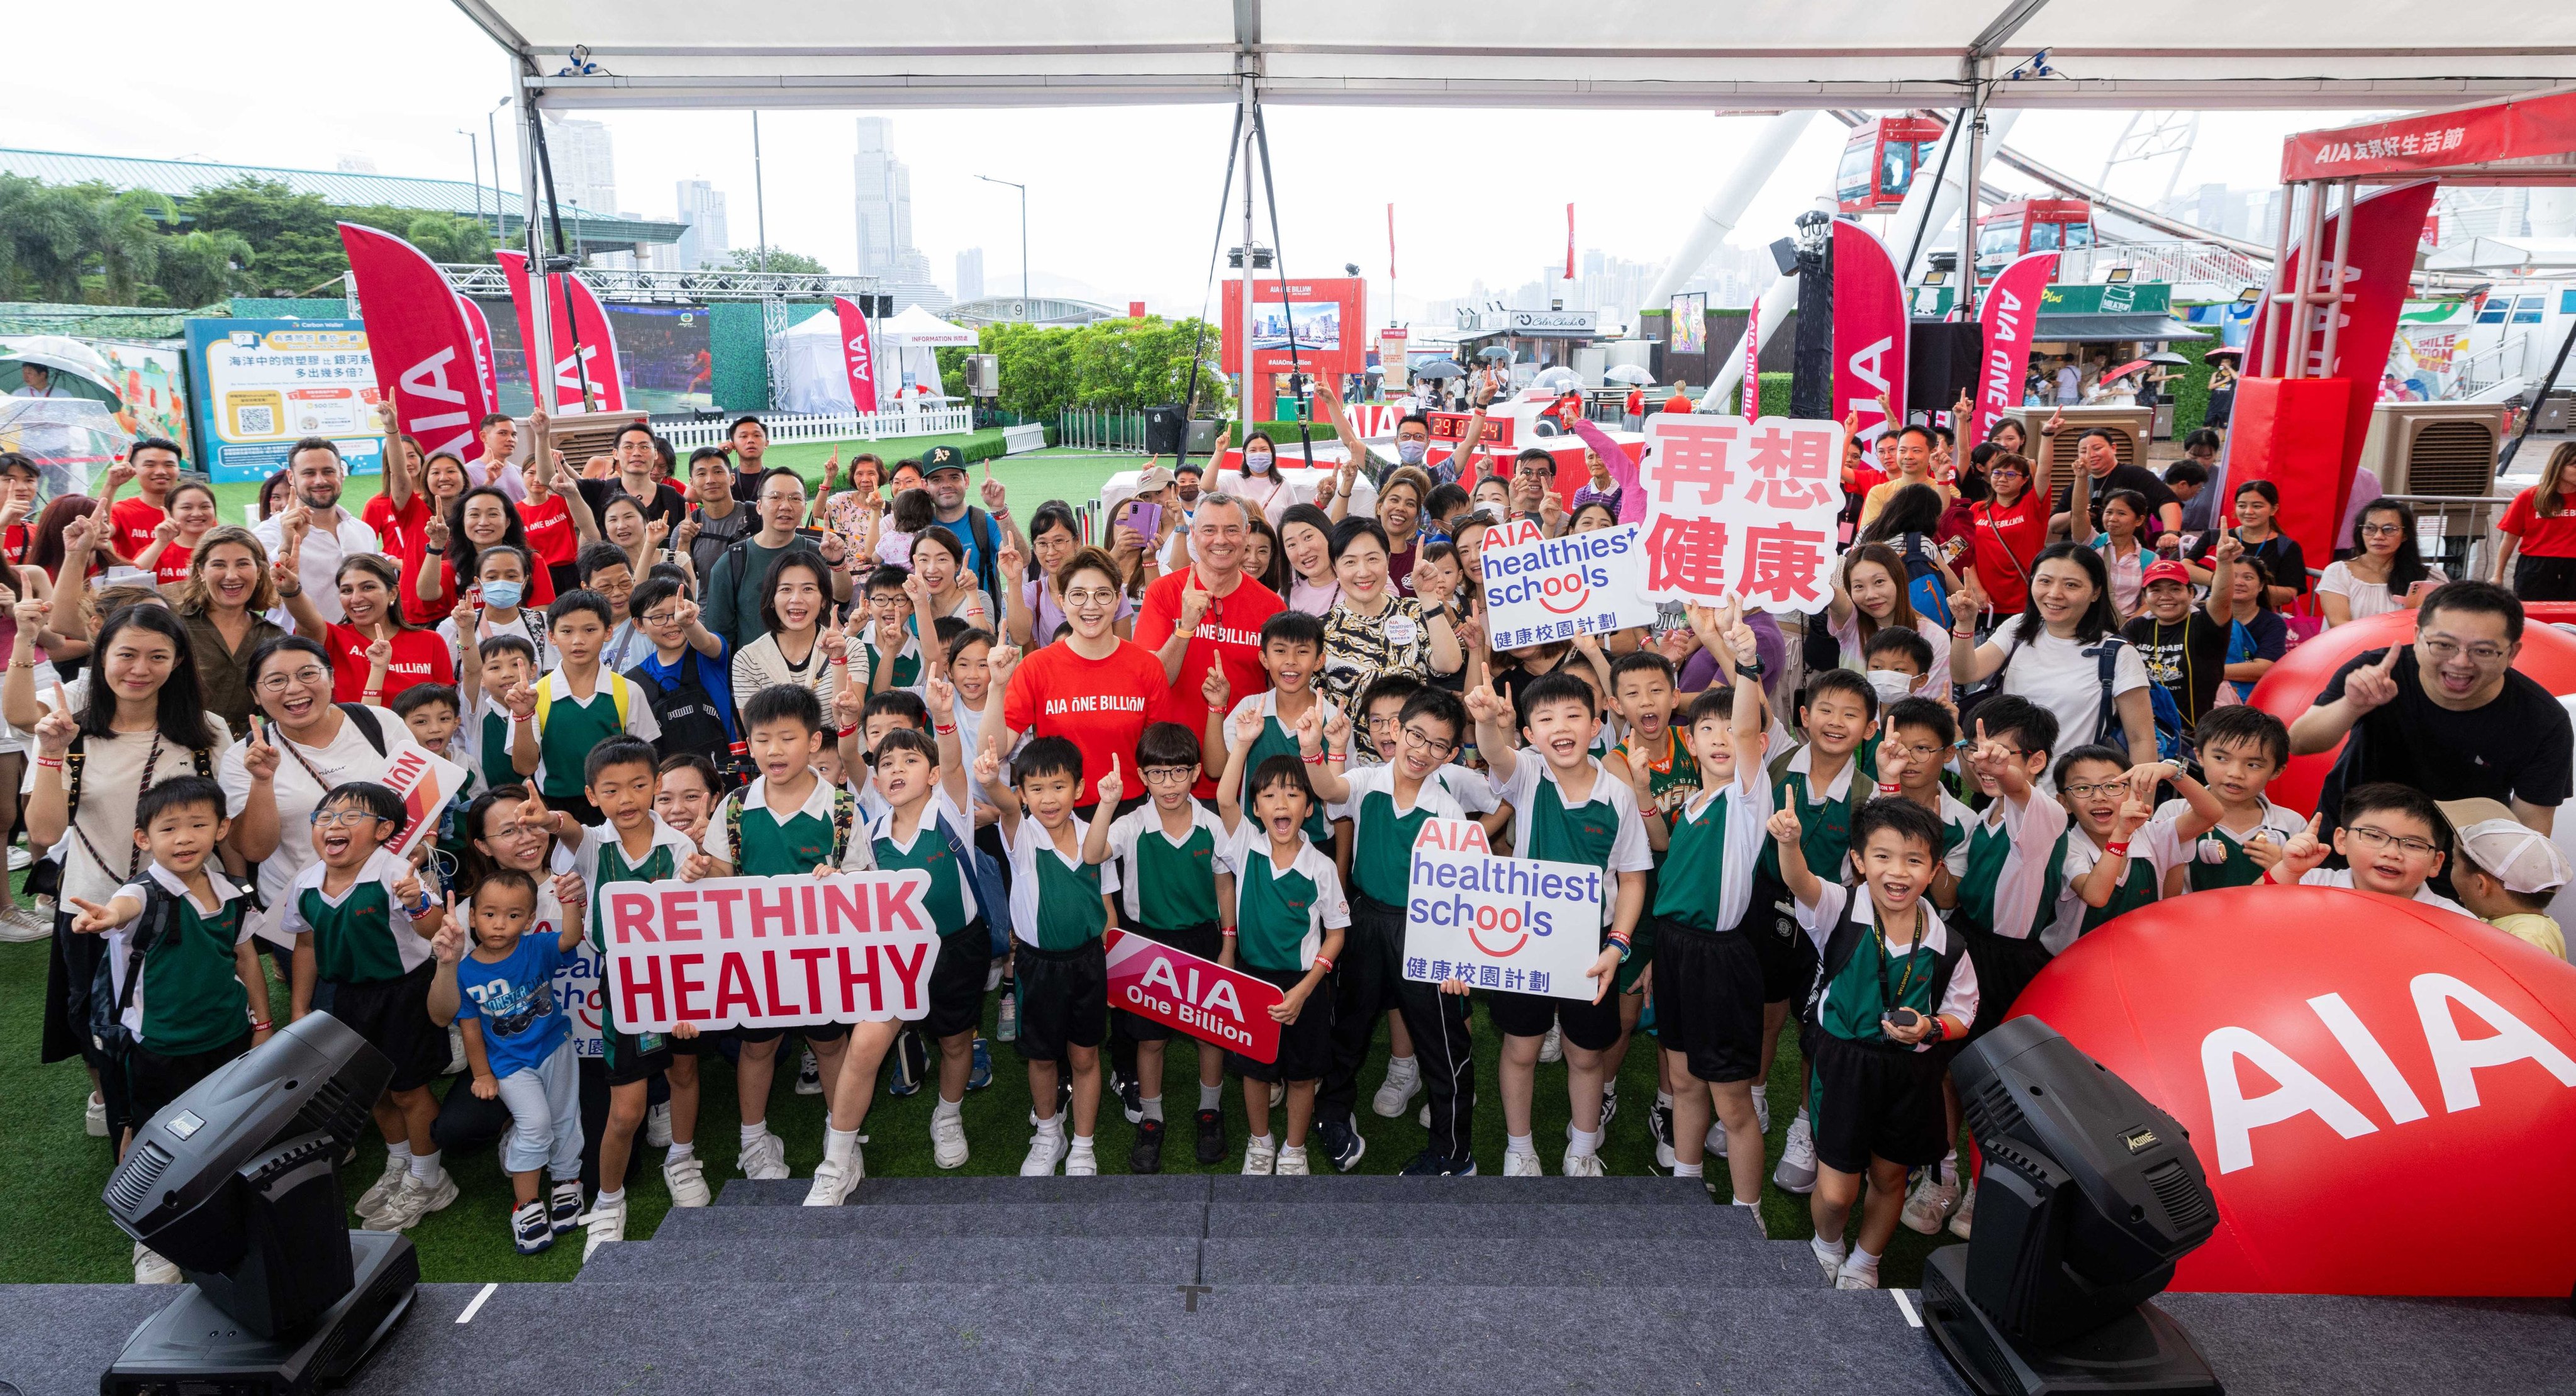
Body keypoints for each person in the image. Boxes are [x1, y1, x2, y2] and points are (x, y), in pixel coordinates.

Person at [19, 605, 236, 1143]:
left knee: (184, 1024)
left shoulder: (206, 732)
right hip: (93, 907)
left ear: (178, 660)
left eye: (158, 656)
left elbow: (225, 827)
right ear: (103, 657)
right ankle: (114, 1109)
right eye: (127, 654)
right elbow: (43, 832)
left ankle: (191, 1130)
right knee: (94, 1023)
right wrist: (49, 752)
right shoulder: (70, 726)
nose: (140, 668)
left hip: (184, 913)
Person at [1768, 795, 1976, 1291]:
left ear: (1934, 868)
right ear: (1859, 861)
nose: (1896, 872)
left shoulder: (1948, 943)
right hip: (1844, 1065)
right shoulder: (1840, 908)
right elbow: (1800, 881)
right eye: (1881, 856)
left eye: (1913, 859)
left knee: (1890, 1178)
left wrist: (1929, 1028)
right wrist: (1791, 842)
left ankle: (1865, 1261)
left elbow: (1963, 1013)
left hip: (1909, 1073)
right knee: (1836, 1191)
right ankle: (1827, 1243)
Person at [63, 775, 265, 1282]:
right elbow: (123, 908)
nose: (184, 837)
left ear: (222, 828)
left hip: (228, 1038)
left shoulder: (232, 892)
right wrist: (108, 915)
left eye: (198, 824)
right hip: (158, 1048)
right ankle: (152, 1234)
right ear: (143, 838)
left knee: (225, 1129)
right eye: (168, 827)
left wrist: (262, 1023)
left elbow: (246, 958)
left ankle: (223, 1210)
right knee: (150, 1137)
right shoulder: (140, 895)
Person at [520, 738, 701, 1254]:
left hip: (683, 978)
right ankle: (608, 1199)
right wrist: (550, 820)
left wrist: (687, 1000)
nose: (627, 797)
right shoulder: (593, 843)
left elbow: (698, 924)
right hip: (624, 984)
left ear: (655, 786)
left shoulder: (680, 847)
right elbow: (570, 828)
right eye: (612, 789)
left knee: (684, 1073)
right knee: (626, 1109)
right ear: (592, 794)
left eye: (640, 785)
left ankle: (682, 1159)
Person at [1467, 669, 1650, 1177]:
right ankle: (1519, 1148)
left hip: (1592, 944)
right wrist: (1485, 722)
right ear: (1528, 733)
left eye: (1573, 715)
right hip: (1524, 937)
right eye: (1545, 718)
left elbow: (1633, 878)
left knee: (1586, 1054)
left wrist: (1616, 945)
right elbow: (1496, 754)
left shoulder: (1617, 794)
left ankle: (1583, 1148)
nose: (1559, 726)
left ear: (1596, 726)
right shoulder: (1526, 774)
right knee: (1520, 1047)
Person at [687, 684, 862, 1195]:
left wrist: (840, 881)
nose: (774, 750)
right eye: (762, 739)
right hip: (754, 954)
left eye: (787, 737)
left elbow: (862, 882)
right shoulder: (737, 805)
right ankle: (754, 1137)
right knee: (757, 1045)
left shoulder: (842, 808)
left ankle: (841, 1140)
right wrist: (702, 869)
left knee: (830, 1042)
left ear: (814, 742)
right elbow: (721, 870)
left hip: (821, 954)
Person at [1638, 608, 1772, 1206]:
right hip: (1672, 950)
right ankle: (1685, 1189)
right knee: (1685, 1077)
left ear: (1757, 746)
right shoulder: (1692, 803)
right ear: (1689, 741)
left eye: (1732, 731)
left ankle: (1747, 1215)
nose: (1721, 739)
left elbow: (1745, 730)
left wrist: (1743, 662)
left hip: (1719, 960)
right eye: (1707, 732)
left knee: (1731, 1100)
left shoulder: (1747, 797)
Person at [277, 779, 454, 1231]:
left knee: (409, 1089)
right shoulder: (306, 881)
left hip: (403, 994)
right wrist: (299, 1008)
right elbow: (305, 945)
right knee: (371, 1089)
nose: (335, 824)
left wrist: (418, 903)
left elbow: (433, 932)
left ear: (384, 829)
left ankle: (430, 1178)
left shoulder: (396, 874)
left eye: (352, 816)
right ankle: (399, 1163)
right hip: (345, 997)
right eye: (326, 817)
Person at [835, 706, 991, 1183]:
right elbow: (855, 890)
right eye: (887, 764)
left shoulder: (951, 809)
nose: (896, 769)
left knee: (955, 1039)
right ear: (876, 782)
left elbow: (953, 757)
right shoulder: (870, 830)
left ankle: (947, 1114)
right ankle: (836, 1157)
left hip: (958, 947)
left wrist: (944, 717)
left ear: (933, 775)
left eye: (909, 760)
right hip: (898, 955)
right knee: (864, 1046)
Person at [2291, 581, 2573, 840]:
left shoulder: (2543, 721)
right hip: (2348, 838)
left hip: (2456, 860)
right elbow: (2299, 742)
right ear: (2417, 637)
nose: (2461, 662)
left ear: (2512, 653)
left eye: (2483, 651)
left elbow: (2530, 832)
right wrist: (2351, 706)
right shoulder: (2378, 672)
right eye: (2444, 645)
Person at [973, 734, 1120, 1176]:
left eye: (1058, 786)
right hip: (1037, 966)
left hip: (1088, 962)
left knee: (1085, 1056)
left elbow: (1108, 908)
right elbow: (1003, 800)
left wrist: (1110, 802)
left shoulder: (1097, 836)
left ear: (1078, 788)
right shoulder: (1021, 831)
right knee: (1041, 1056)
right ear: (1022, 794)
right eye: (1035, 788)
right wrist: (989, 780)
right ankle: (1048, 1133)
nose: (1048, 798)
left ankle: (1082, 1144)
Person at [1212, 715, 1349, 1176]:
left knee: (1302, 1073)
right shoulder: (1246, 845)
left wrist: (1308, 987)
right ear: (1257, 807)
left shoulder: (1321, 868)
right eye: (1268, 795)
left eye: (1292, 793)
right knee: (1255, 1069)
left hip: (1304, 986)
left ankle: (1293, 1149)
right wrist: (1244, 742)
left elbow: (1336, 933)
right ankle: (1260, 1141)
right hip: (1253, 979)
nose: (1280, 803)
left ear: (1309, 807)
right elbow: (1222, 797)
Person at [437, 867, 588, 1254]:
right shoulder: (465, 971)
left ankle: (567, 1181)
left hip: (555, 1048)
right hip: (509, 1064)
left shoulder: (536, 948)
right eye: (489, 914)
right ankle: (527, 1204)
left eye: (513, 915)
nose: (500, 924)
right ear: (472, 917)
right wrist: (482, 1073)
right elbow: (470, 1028)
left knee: (565, 1118)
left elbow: (571, 938)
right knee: (536, 1123)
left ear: (530, 919)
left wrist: (571, 902)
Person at [1950, 543, 2158, 774]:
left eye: (2071, 585)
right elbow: (1965, 673)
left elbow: (2141, 740)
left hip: (2072, 794)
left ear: (2096, 592)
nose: (2054, 594)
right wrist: (1964, 625)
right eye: (2045, 581)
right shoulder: (2017, 629)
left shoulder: (2118, 653)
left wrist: (2142, 804)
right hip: (2008, 782)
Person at [991, 547, 1169, 813]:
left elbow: (1161, 754)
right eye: (1078, 595)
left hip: (1131, 813)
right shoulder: (1036, 667)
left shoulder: (1147, 667)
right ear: (1062, 602)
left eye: (1103, 594)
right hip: (1060, 816)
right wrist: (996, 687)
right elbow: (995, 748)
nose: (1091, 605)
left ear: (1118, 600)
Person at [1135, 493, 1285, 795]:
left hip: (1242, 773)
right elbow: (1152, 683)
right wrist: (1185, 627)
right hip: (1173, 773)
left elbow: (1280, 691)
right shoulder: (1163, 593)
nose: (1221, 540)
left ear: (1246, 535)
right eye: (1209, 530)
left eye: (1231, 530)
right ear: (1193, 534)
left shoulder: (1271, 606)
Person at [511, 592, 662, 827]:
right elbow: (524, 767)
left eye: (590, 630)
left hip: (617, 808)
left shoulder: (629, 691)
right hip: (556, 807)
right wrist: (523, 715)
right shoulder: (533, 696)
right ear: (551, 636)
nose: (578, 640)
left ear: (608, 632)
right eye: (567, 631)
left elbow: (646, 759)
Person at [2142, 705, 2305, 895]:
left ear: (2277, 771)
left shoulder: (2292, 823)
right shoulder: (2174, 813)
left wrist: (2288, 870)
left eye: (2253, 765)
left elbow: (2303, 894)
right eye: (2221, 758)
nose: (2235, 773)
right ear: (2200, 756)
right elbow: (2154, 883)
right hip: (2188, 921)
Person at [1319, 517, 1462, 716]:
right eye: (1350, 562)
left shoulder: (1413, 611)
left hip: (1412, 743)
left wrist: (1428, 598)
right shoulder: (1321, 630)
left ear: (1387, 561)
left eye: (1372, 559)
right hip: (1347, 746)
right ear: (1335, 569)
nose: (1363, 572)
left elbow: (1450, 664)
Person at [701, 471, 851, 656]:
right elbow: (721, 638)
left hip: (814, 673)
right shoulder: (733, 561)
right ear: (759, 506)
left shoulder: (818, 552)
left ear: (805, 508)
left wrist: (837, 562)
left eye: (795, 499)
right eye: (775, 497)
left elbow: (842, 600)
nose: (786, 506)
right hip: (755, 676)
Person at [2264, 783, 2470, 915]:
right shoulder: (2310, 884)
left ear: (2436, 862)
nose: (2391, 853)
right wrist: (2289, 871)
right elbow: (2254, 912)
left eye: (2413, 845)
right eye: (2373, 836)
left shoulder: (2455, 921)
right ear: (2341, 840)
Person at [281, 554, 454, 707]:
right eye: (347, 590)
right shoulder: (333, 638)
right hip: (352, 740)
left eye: (368, 587)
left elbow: (446, 706)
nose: (356, 599)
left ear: (393, 593)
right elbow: (307, 621)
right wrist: (291, 591)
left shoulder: (430, 641)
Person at [167, 527, 289, 739]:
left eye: (242, 564)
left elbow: (279, 711)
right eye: (219, 565)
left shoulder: (272, 637)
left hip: (239, 754)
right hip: (172, 744)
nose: (232, 576)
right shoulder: (173, 623)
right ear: (200, 571)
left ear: (259, 571)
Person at [251, 439, 381, 625]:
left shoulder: (363, 531)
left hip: (357, 646)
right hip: (298, 649)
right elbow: (257, 596)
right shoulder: (267, 534)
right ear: (291, 477)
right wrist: (286, 546)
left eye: (328, 471)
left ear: (341, 474)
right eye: (309, 473)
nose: (320, 480)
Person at [2434, 796, 2570, 958]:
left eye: (2454, 863)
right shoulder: (2499, 924)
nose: (2451, 867)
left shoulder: (2528, 936)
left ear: (2481, 885)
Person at [622, 574, 734, 762]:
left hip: (725, 776)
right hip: (670, 785)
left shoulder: (708, 654)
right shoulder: (633, 682)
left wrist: (688, 623)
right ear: (639, 624)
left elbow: (705, 642)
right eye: (658, 617)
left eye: (676, 613)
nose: (672, 623)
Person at [2122, 552, 2237, 734]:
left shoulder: (2204, 624)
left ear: (2191, 593)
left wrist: (2224, 563)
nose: (2165, 596)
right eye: (2156, 590)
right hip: (2147, 733)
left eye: (2175, 589)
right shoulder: (2138, 627)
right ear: (2145, 596)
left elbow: (2222, 600)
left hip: (2196, 735)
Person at [730, 550, 848, 720]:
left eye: (808, 589)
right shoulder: (747, 659)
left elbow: (847, 723)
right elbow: (757, 734)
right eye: (786, 589)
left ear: (824, 600)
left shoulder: (849, 648)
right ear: (771, 599)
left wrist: (839, 661)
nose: (796, 599)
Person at [1827, 542, 1951, 700]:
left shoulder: (1934, 637)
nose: (1870, 595)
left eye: (1879, 582)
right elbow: (1837, 601)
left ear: (1899, 579)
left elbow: (1933, 703)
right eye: (1859, 586)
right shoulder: (1852, 623)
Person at [920, 445, 1025, 605]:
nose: (946, 484)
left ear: (966, 480)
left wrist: (999, 509)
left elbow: (1022, 559)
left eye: (954, 477)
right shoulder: (920, 528)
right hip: (931, 623)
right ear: (925, 485)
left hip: (982, 624)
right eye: (937, 479)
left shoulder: (984, 522)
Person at [2185, 479, 2306, 608]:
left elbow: (2289, 594)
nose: (2249, 511)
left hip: (2255, 615)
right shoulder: (2215, 536)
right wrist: (2223, 581)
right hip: (2207, 608)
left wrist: (2246, 589)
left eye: (2257, 506)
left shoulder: (2286, 547)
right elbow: (2184, 567)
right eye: (2242, 506)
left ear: (2274, 509)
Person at [2321, 498, 2443, 625]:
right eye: (2370, 528)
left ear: (2405, 535)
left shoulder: (2430, 577)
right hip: (2352, 644)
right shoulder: (2338, 572)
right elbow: (2338, 623)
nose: (2378, 536)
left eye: (2389, 529)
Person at [2054, 428, 2181, 548]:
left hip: (2126, 549)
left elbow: (2168, 501)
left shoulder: (2136, 474)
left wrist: (2171, 533)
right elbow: (2053, 525)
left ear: (2113, 448)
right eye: (2083, 451)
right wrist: (2078, 513)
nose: (2091, 455)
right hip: (2082, 551)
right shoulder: (2078, 484)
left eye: (2097, 448)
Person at [2490, 442, 2576, 601]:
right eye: (2575, 465)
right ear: (2559, 466)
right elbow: (2510, 539)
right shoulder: (2529, 497)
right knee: (2535, 617)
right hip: (2536, 568)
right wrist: (2498, 575)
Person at [102, 437, 186, 568]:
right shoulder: (121, 511)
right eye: (150, 465)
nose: (161, 472)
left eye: (169, 465)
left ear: (179, 469)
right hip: (137, 586)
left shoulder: (196, 511)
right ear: (134, 470)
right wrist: (111, 486)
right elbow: (97, 533)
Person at [2217, 554, 2287, 700]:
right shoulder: (2202, 615)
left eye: (2248, 578)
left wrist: (2206, 671)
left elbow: (2263, 668)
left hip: (2252, 698)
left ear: (2261, 586)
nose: (2239, 582)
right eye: (2232, 576)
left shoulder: (2273, 623)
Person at [1858, 427, 1950, 530]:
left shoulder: (1947, 490)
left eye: (1916, 451)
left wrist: (1942, 476)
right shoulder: (1879, 492)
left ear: (1933, 452)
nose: (1908, 456)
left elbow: (1942, 520)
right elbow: (1867, 537)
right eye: (1902, 450)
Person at [1276, 503, 1340, 617]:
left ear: (1326, 531)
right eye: (1291, 545)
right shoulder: (1286, 596)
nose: (1303, 551)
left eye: (1308, 537)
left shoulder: (1356, 587)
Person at [461, 413, 530, 501]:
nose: (511, 439)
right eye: (503, 433)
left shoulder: (521, 472)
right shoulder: (467, 472)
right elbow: (467, 508)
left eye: (514, 435)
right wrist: (489, 482)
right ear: (484, 436)